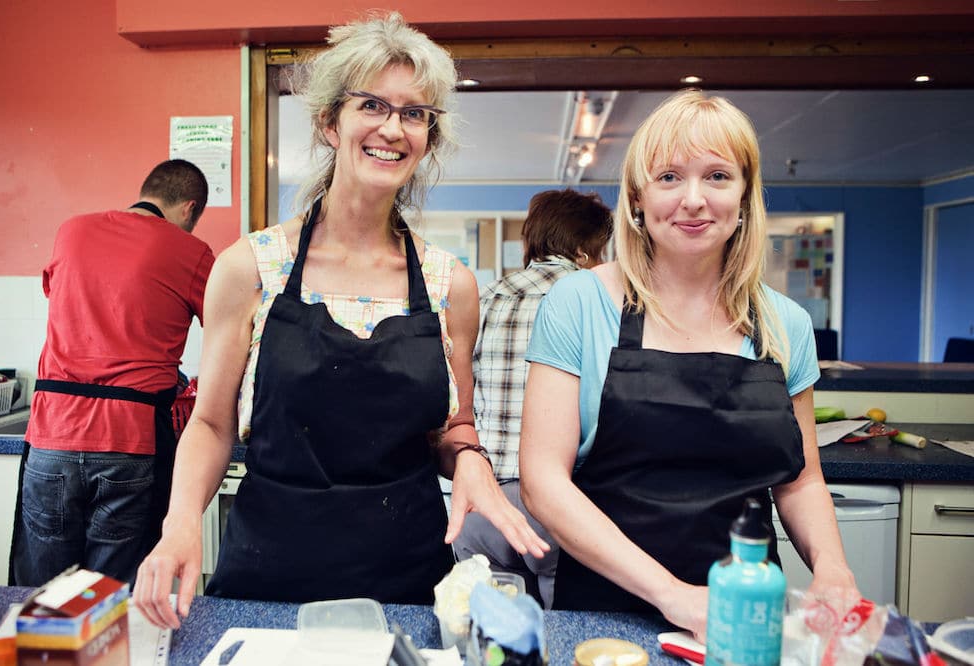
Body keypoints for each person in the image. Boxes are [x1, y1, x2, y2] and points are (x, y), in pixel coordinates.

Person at [133, 12, 548, 629]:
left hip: (407, 584)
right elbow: (213, 423)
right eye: (373, 105)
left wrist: (472, 461)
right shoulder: (253, 266)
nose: (393, 128)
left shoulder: (449, 285)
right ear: (330, 122)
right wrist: (178, 526)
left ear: (428, 138)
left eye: (415, 114)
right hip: (267, 580)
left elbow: (451, 425)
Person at [519, 89, 857, 641]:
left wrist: (833, 569)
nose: (694, 200)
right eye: (670, 177)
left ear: (745, 196)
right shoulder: (580, 303)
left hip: (743, 612)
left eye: (718, 177)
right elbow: (542, 482)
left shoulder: (785, 324)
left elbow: (800, 480)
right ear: (637, 198)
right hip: (606, 613)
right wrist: (672, 596)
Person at [9, 159, 214, 587]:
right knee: (110, 599)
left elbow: (62, 295)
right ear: (189, 209)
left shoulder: (72, 231)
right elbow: (224, 325)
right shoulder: (191, 251)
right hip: (129, 444)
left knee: (41, 597)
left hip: (52, 437)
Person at [453, 189, 613, 608]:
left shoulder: (483, 298)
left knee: (491, 637)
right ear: (584, 249)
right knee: (563, 636)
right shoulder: (595, 302)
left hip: (480, 503)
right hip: (559, 507)